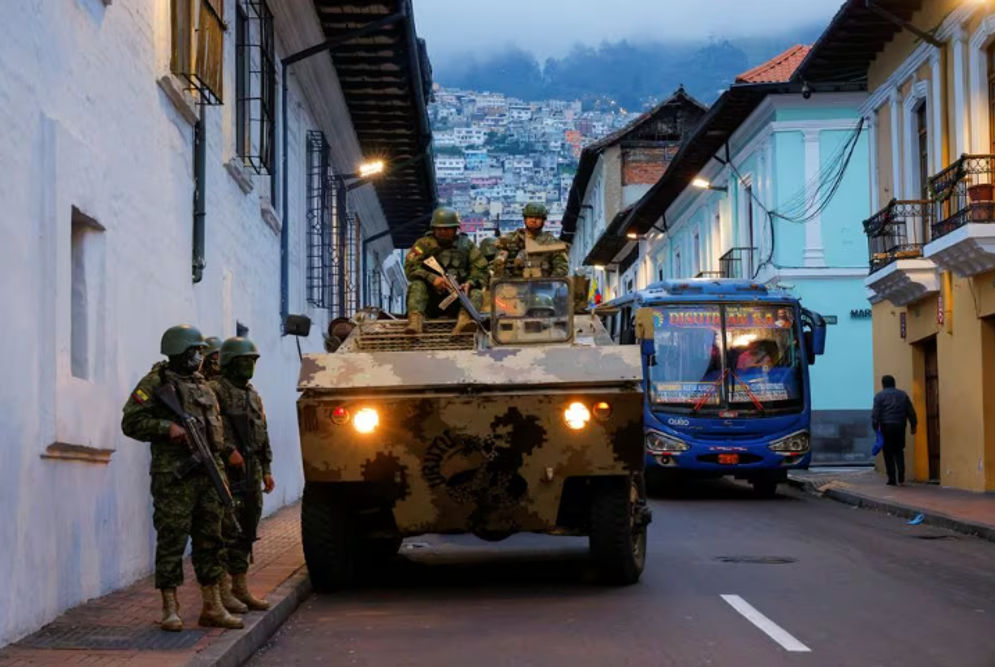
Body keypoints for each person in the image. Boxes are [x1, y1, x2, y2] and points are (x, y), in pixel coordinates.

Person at [121, 325, 243, 632]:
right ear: (180, 351)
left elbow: (216, 432)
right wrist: (167, 428)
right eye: (195, 351)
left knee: (211, 539)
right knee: (172, 539)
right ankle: (170, 607)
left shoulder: (204, 386)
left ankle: (212, 605)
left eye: (201, 352)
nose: (200, 357)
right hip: (175, 478)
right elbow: (131, 422)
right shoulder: (156, 383)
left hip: (208, 473)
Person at [210, 337, 274, 613]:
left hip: (251, 469)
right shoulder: (215, 390)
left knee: (248, 528)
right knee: (227, 531)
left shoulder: (252, 394)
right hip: (227, 471)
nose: (250, 366)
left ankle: (240, 586)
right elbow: (210, 428)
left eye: (253, 360)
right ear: (230, 363)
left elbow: (263, 432)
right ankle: (223, 592)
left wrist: (267, 469)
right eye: (245, 361)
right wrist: (228, 451)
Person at [403, 207, 488, 335]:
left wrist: (469, 283)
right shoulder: (423, 245)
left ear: (455, 229)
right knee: (417, 286)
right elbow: (411, 268)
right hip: (430, 298)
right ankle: (415, 322)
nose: (443, 232)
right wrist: (432, 279)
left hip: (458, 298)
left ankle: (464, 322)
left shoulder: (466, 246)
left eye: (447, 229)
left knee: (476, 293)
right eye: (439, 229)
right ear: (434, 229)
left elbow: (480, 269)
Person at [492, 202, 569, 279]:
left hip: (544, 286)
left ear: (543, 220)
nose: (533, 220)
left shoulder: (552, 243)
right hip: (515, 286)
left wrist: (549, 284)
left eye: (538, 218)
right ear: (525, 219)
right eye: (530, 217)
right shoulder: (511, 239)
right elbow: (497, 267)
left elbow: (561, 268)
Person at [871, 374, 918, 486]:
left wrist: (875, 427)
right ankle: (901, 477)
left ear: (883, 384)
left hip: (886, 426)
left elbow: (876, 413)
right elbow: (910, 411)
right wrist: (913, 425)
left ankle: (892, 478)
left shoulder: (879, 396)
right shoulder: (903, 395)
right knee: (899, 451)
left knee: (888, 453)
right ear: (894, 383)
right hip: (900, 426)